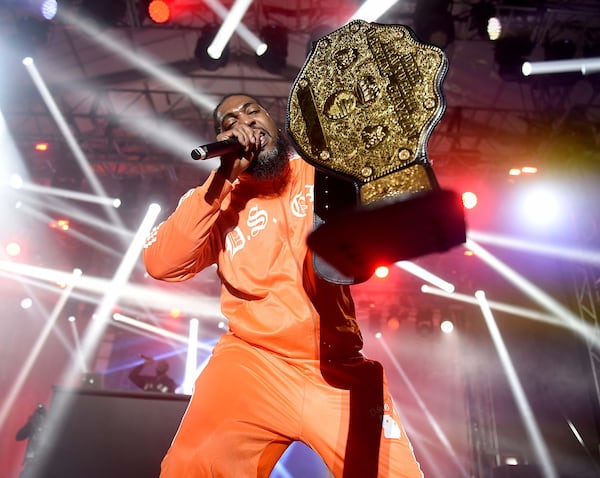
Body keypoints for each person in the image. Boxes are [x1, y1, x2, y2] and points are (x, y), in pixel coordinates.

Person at [143, 93, 423, 477]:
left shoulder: (323, 173)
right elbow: (162, 264)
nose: (245, 121)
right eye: (230, 122)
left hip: (334, 366)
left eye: (253, 111)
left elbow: (388, 219)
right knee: (189, 467)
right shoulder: (216, 200)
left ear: (274, 122)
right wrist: (223, 176)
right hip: (253, 362)